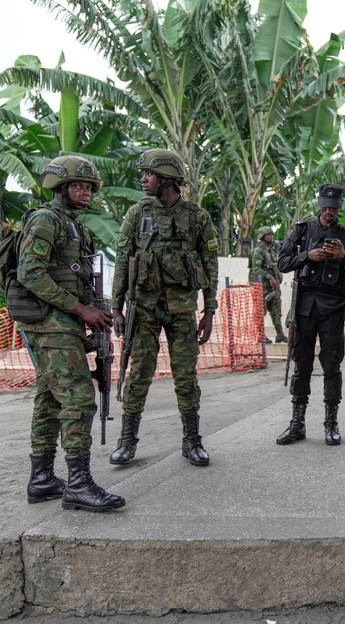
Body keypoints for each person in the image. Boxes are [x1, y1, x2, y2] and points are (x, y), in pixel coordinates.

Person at [16, 155, 124, 511]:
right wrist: (81, 309)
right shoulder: (46, 219)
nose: (86, 192)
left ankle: (42, 479)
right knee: (78, 399)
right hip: (49, 324)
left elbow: (79, 277)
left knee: (50, 400)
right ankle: (78, 485)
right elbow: (29, 273)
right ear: (59, 187)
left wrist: (96, 311)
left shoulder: (75, 225)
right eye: (78, 186)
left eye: (89, 187)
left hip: (63, 323)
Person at [108, 149, 219, 467]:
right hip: (143, 308)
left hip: (182, 309)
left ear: (168, 179)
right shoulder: (136, 213)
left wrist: (209, 310)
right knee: (139, 373)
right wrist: (116, 307)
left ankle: (192, 440)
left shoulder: (197, 217)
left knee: (186, 376)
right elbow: (122, 260)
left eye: (150, 174)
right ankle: (127, 441)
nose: (143, 179)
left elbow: (210, 264)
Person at [276, 183, 345, 446]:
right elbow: (282, 263)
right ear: (319, 203)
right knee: (301, 365)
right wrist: (307, 255)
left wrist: (344, 256)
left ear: (339, 207)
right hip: (304, 308)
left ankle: (331, 424)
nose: (329, 212)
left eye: (334, 208)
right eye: (325, 206)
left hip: (333, 309)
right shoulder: (302, 230)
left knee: (331, 367)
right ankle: (297, 424)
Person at [250, 226, 287, 343]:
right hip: (261, 286)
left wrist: (277, 283)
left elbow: (275, 269)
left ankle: (280, 334)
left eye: (271, 234)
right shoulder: (258, 251)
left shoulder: (271, 251)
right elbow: (256, 269)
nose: (271, 236)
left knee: (276, 310)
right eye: (268, 235)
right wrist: (269, 277)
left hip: (272, 287)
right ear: (262, 236)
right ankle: (260, 335)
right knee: (260, 311)